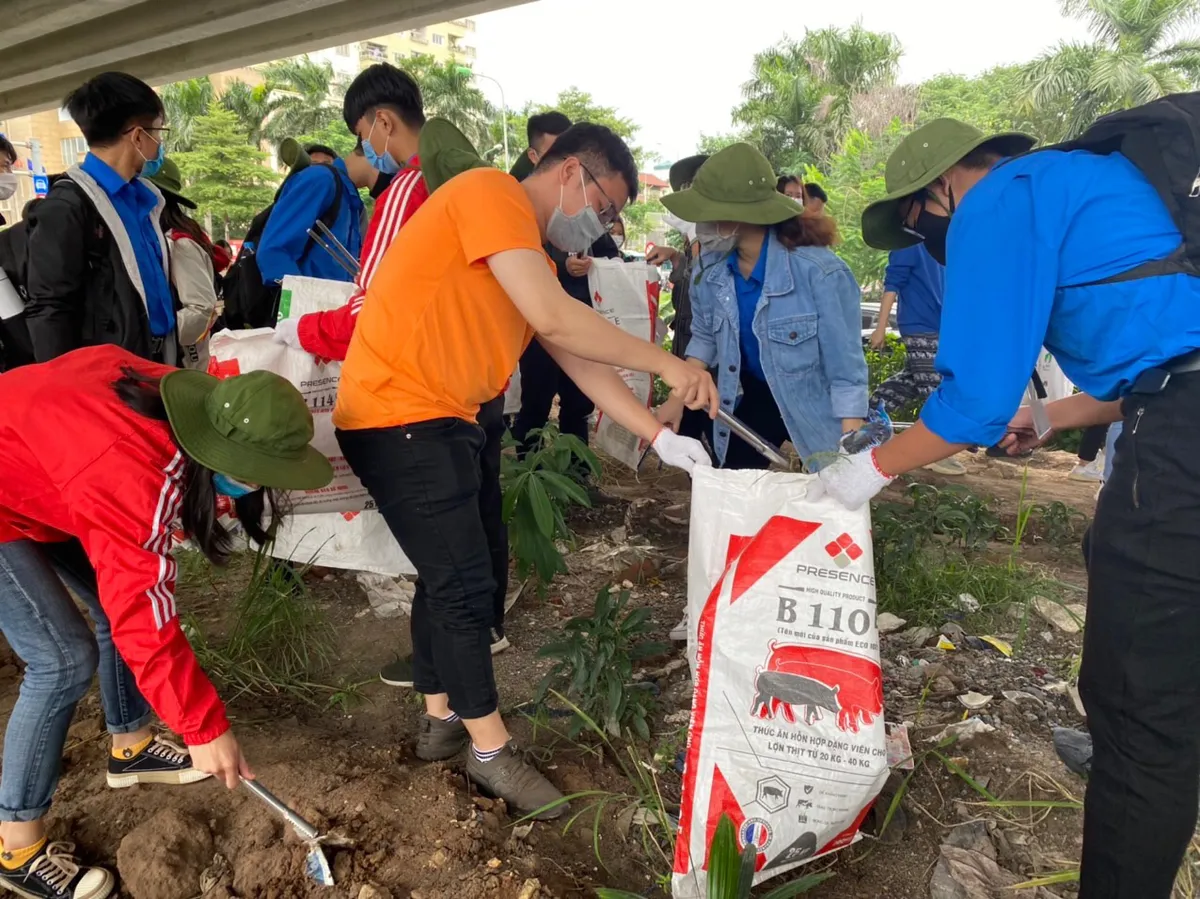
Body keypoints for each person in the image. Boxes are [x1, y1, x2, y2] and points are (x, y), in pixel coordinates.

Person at [817, 116, 1200, 899]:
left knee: (1139, 716)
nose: (927, 238)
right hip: (1169, 404)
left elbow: (975, 406)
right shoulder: (1094, 182)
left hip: (1183, 435)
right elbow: (1157, 351)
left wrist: (870, 471)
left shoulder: (1000, 198)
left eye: (920, 224)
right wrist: (1052, 415)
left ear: (940, 192)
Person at [333, 122, 716, 818]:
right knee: (464, 580)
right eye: (605, 207)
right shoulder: (490, 195)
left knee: (449, 571)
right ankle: (489, 748)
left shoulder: (522, 248)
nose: (605, 224)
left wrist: (656, 435)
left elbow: (574, 353)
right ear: (571, 172)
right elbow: (557, 320)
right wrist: (670, 362)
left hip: (450, 418)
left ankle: (441, 718)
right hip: (402, 415)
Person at [0, 344, 332, 899]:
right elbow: (143, 615)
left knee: (114, 604)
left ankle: (130, 747)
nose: (257, 487)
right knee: (61, 660)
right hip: (19, 487)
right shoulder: (132, 476)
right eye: (255, 476)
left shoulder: (190, 405)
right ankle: (17, 845)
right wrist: (203, 726)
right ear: (220, 455)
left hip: (44, 471)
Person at [656, 143, 868, 472]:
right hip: (752, 389)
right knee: (734, 477)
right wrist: (675, 401)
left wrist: (851, 449)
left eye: (708, 213)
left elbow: (846, 371)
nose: (701, 225)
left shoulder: (820, 273)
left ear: (742, 216)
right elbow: (704, 339)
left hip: (812, 397)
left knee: (829, 495)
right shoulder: (710, 269)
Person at [24, 72, 176, 365]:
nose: (159, 143)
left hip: (156, 361)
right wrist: (68, 391)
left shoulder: (145, 199)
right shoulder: (69, 206)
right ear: (138, 136)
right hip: (106, 376)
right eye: (158, 131)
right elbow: (50, 309)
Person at [511, 206, 622, 455]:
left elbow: (614, 259)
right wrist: (563, 265)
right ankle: (529, 469)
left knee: (579, 405)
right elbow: (526, 260)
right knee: (535, 402)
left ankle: (576, 473)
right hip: (542, 328)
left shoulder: (592, 229)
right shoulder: (541, 223)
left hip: (582, 326)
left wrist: (593, 264)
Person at [869, 243, 965, 475]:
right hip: (919, 325)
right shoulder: (908, 243)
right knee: (935, 386)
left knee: (909, 382)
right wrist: (880, 328)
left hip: (939, 323)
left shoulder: (940, 240)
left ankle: (867, 417)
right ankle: (933, 452)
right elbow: (892, 284)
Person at [254, 126, 364, 287]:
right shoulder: (320, 179)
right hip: (309, 304)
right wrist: (298, 304)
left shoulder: (349, 197)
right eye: (315, 164)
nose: (320, 167)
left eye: (325, 163)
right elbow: (274, 251)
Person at [146, 158, 219, 371]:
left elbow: (202, 308)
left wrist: (155, 333)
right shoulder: (162, 240)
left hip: (184, 365)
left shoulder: (180, 245)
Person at [509, 111, 571, 182]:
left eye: (570, 151)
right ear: (533, 156)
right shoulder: (518, 184)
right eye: (554, 154)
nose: (566, 161)